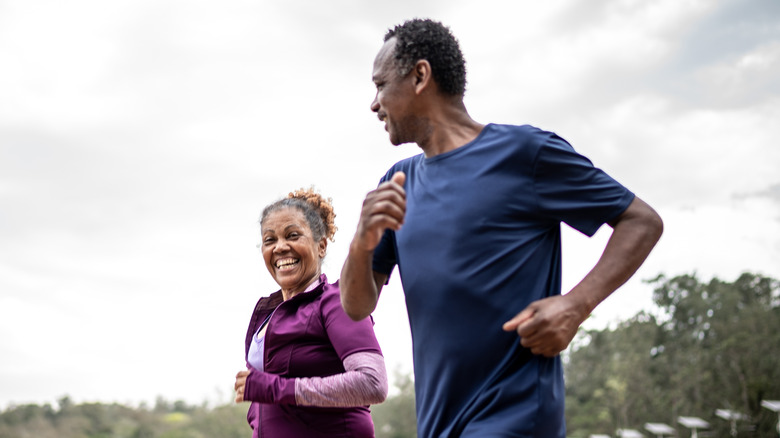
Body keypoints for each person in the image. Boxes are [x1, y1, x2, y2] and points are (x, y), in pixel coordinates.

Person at [340, 18, 664, 438]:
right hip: (440, 424)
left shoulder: (524, 154)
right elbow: (356, 306)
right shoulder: (397, 182)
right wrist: (361, 245)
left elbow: (641, 221)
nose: (374, 102)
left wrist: (576, 305)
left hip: (515, 418)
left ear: (420, 75)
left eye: (381, 85)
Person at [235, 188, 388, 438]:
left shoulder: (337, 301)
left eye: (293, 235)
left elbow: (373, 383)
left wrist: (276, 389)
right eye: (269, 240)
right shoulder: (268, 315)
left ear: (321, 246)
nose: (280, 247)